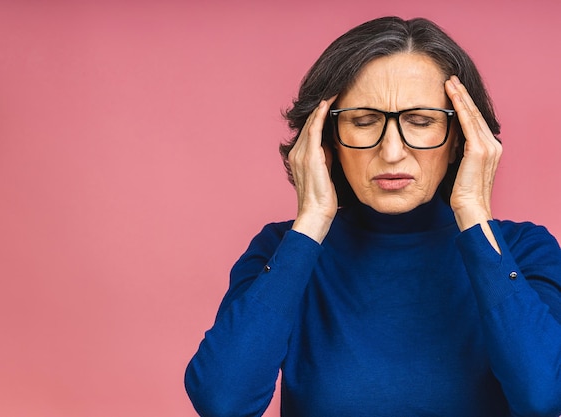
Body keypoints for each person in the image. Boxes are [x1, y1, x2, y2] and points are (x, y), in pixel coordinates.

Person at [184, 16, 561, 417]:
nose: (392, 152)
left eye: (421, 121)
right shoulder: (282, 251)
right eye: (364, 122)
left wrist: (471, 208)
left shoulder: (523, 250)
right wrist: (310, 220)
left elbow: (544, 397)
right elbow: (222, 402)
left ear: (461, 139)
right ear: (326, 139)